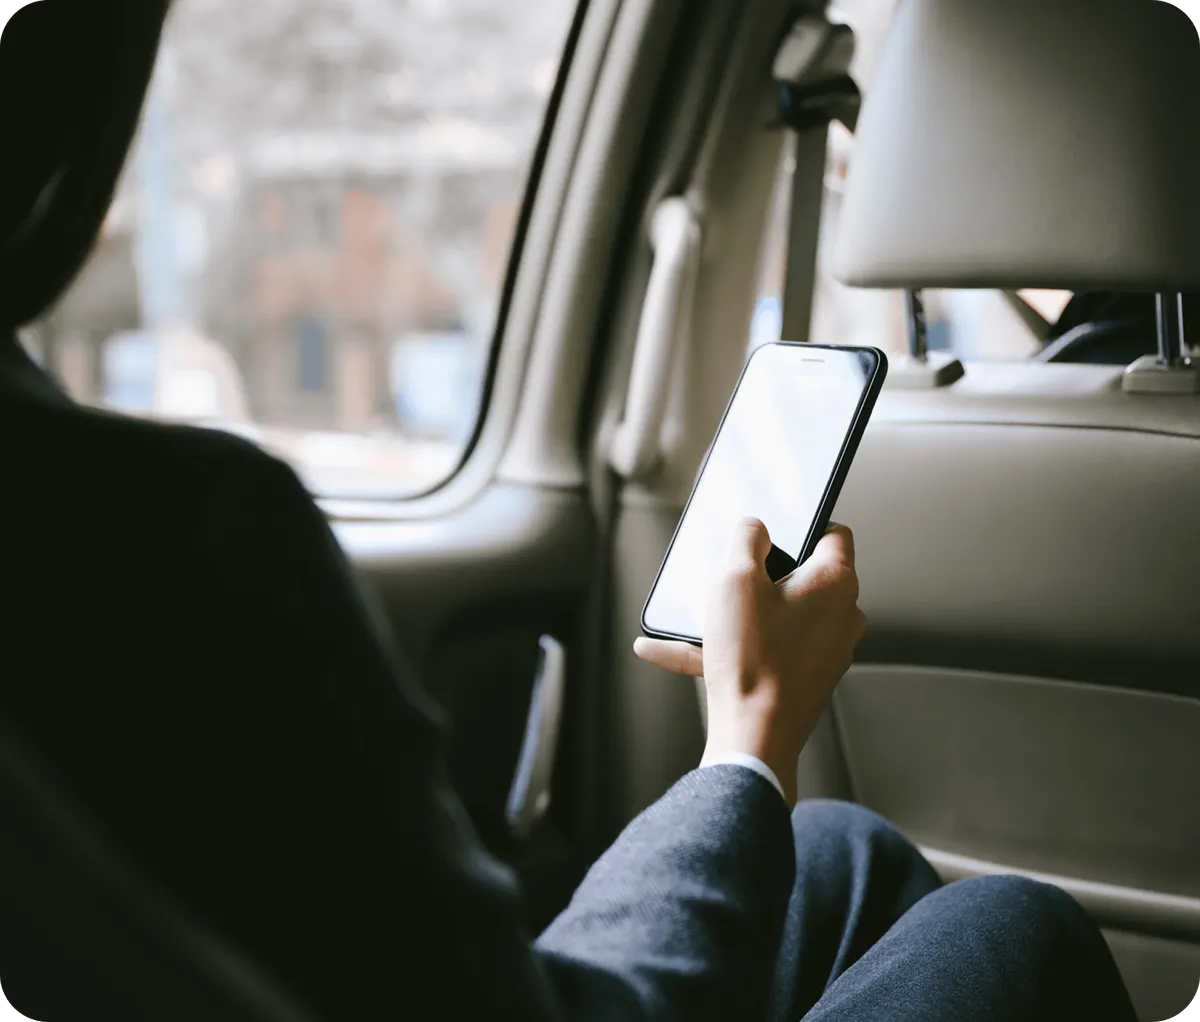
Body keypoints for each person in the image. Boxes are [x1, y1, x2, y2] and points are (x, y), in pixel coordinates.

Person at [0, 2, 1139, 1020]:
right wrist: (749, 741)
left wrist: (748, 784)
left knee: (835, 848)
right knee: (1014, 926)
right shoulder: (180, 538)